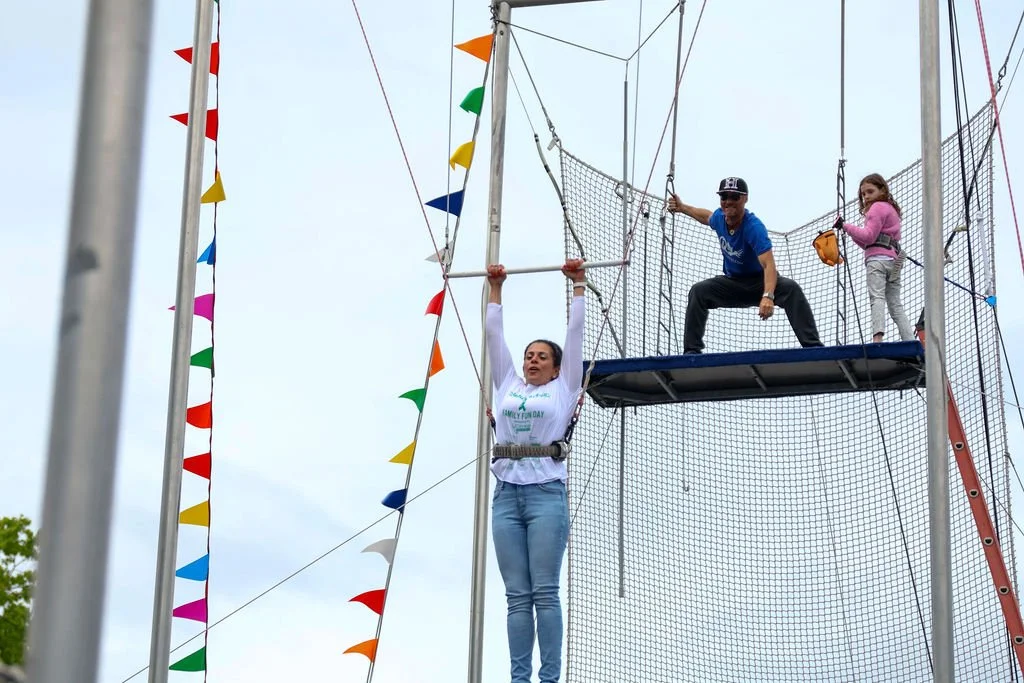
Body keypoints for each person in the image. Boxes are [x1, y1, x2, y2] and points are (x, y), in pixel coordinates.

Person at [484, 258, 586, 683]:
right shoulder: (508, 384)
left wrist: (578, 285)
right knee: (516, 597)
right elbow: (494, 337)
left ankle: (549, 679)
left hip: (546, 493)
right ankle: (519, 679)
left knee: (544, 592)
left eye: (542, 356)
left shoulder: (564, 390)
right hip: (507, 495)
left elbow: (575, 336)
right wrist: (496, 289)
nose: (532, 360)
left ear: (557, 367)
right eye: (529, 355)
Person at [667, 177, 823, 353]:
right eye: (724, 197)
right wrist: (683, 208)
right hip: (732, 283)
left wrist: (768, 296)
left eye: (734, 197)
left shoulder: (754, 227)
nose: (728, 202)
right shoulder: (720, 217)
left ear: (744, 199)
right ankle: (691, 353)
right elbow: (706, 216)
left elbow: (769, 265)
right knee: (699, 291)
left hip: (759, 282)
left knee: (791, 288)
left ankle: (813, 348)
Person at [838, 173, 914, 342]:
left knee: (877, 297)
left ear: (882, 190)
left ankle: (877, 338)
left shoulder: (877, 208)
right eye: (863, 194)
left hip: (877, 262)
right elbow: (868, 243)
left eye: (870, 192)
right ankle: (909, 339)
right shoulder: (890, 209)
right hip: (892, 261)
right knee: (895, 305)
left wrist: (845, 226)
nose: (866, 197)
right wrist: (850, 232)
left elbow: (869, 237)